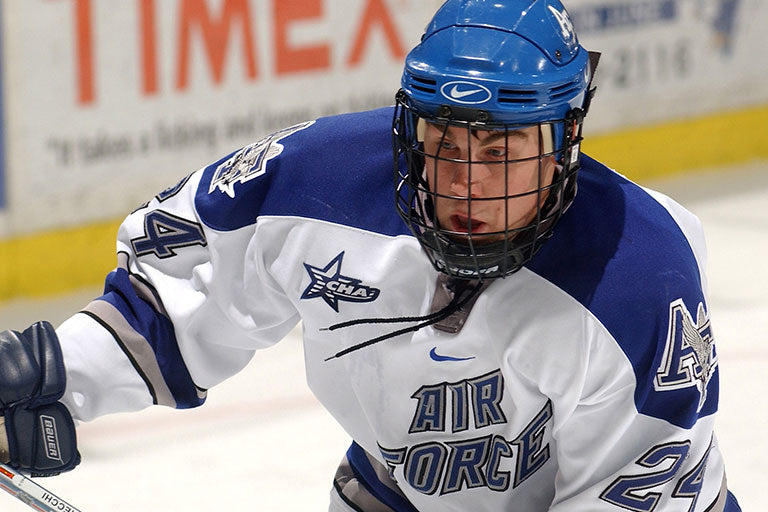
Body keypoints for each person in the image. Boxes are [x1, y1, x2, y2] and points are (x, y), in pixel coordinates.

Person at [0, 0, 742, 510]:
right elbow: (165, 311)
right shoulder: (309, 184)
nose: (467, 183)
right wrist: (52, 379)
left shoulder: (639, 283)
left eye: (501, 148)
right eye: (445, 143)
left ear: (562, 142)